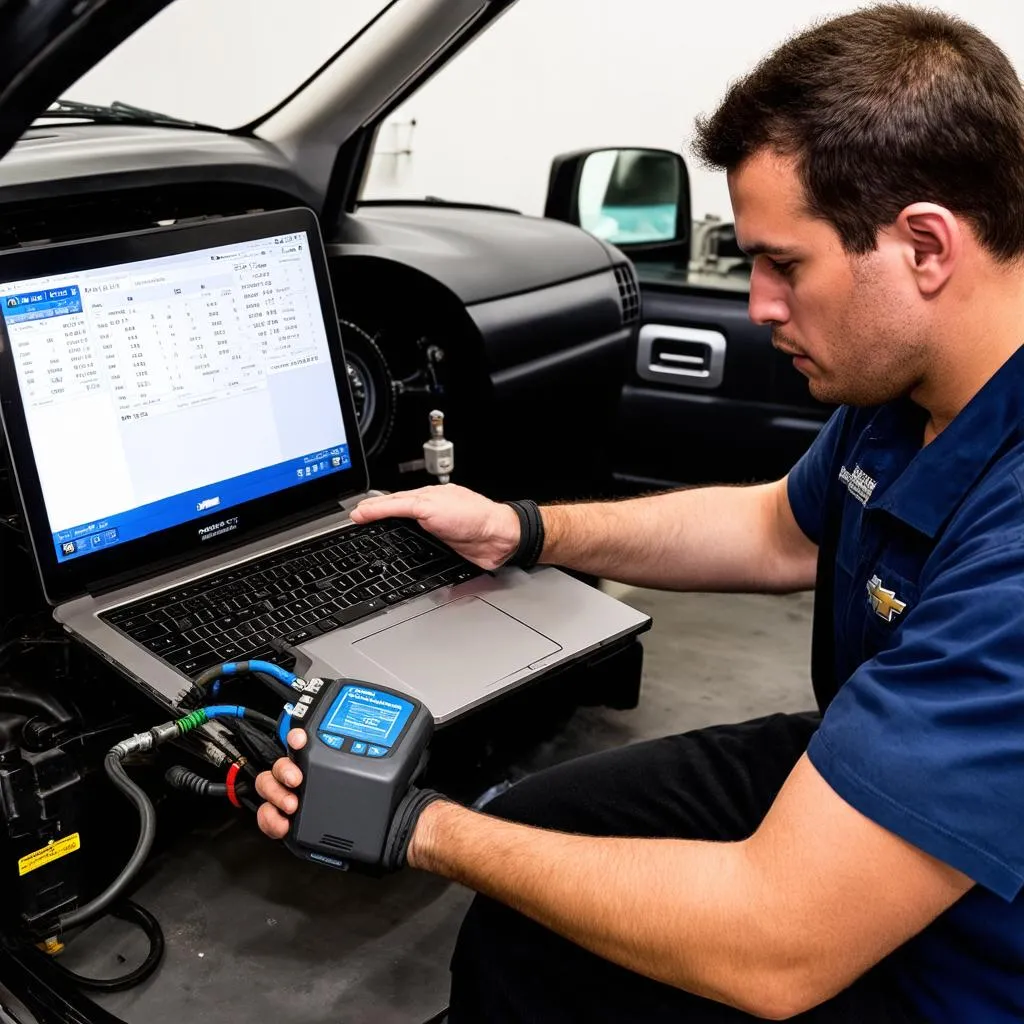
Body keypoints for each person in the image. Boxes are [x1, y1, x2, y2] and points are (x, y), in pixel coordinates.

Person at [254, 6, 1024, 1021]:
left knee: (517, 892)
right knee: (535, 853)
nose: (754, 304)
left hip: (963, 973)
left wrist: (416, 826)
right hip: (871, 757)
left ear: (925, 245)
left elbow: (776, 947)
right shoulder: (910, 394)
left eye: (782, 264)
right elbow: (777, 531)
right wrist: (526, 529)